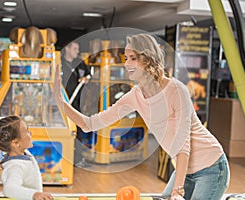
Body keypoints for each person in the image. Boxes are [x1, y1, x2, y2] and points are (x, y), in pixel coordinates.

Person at [53, 33, 230, 200]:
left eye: (133, 58)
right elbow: (89, 124)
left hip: (211, 166)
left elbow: (182, 143)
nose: (126, 64)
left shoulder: (176, 90)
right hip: (185, 170)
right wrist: (60, 101)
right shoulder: (134, 96)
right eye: (126, 58)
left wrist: (178, 190)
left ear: (148, 59)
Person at [0, 116, 53, 200]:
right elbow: (9, 189)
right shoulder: (15, 166)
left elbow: (9, 124)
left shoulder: (20, 153)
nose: (30, 133)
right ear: (16, 143)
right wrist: (34, 195)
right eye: (27, 131)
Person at [61, 41, 91, 165]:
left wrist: (86, 79)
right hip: (62, 103)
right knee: (64, 129)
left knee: (78, 129)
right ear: (67, 48)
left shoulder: (80, 63)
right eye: (74, 48)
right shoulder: (59, 63)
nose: (77, 51)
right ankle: (63, 159)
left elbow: (89, 75)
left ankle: (77, 159)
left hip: (77, 103)